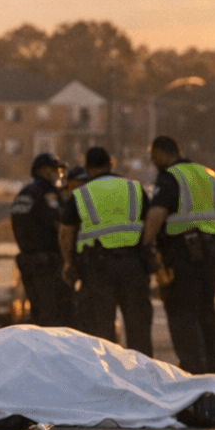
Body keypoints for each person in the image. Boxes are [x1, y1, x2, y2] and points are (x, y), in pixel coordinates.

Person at [140, 135, 215, 375]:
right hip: (214, 252)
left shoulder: (170, 178)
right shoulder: (211, 176)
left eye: (154, 157)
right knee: (207, 311)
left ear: (162, 153)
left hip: (184, 253)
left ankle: (193, 369)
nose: (153, 162)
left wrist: (148, 245)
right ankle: (214, 370)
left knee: (181, 310)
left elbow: (156, 214)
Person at [59, 147, 153, 354]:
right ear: (111, 163)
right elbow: (150, 224)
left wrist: (69, 263)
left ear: (88, 169)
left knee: (101, 332)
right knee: (139, 330)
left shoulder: (81, 194)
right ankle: (147, 380)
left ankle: (108, 380)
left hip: (97, 269)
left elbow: (66, 233)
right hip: (134, 265)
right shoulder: (135, 189)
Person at [10, 153, 74, 327]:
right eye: (56, 170)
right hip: (48, 265)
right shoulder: (48, 194)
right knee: (56, 317)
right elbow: (60, 225)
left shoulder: (23, 194)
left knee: (38, 315)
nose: (59, 174)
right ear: (45, 171)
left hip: (28, 262)